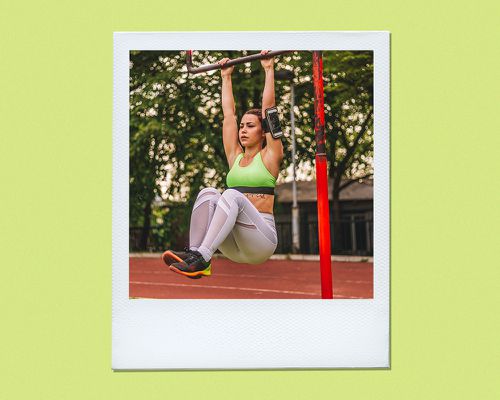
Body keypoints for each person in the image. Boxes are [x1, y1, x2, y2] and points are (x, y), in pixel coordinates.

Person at [162, 50, 284, 279]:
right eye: (242, 126)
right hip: (234, 244)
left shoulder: (270, 156)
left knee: (231, 195)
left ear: (263, 131)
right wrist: (225, 76)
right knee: (208, 193)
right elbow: (229, 115)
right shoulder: (234, 157)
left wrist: (269, 70)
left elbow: (270, 112)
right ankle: (198, 257)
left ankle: (202, 256)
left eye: (250, 126)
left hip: (261, 240)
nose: (243, 130)